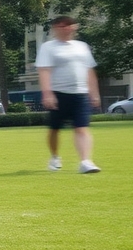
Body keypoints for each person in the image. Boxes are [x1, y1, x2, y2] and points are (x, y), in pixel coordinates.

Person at [36, 15, 100, 173]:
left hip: (80, 93)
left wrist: (94, 92)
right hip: (58, 94)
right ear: (55, 29)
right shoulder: (48, 47)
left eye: (68, 25)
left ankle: (85, 161)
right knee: (54, 129)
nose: (65, 29)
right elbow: (44, 71)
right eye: (61, 26)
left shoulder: (82, 46)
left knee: (82, 128)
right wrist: (47, 93)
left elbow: (89, 70)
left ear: (74, 27)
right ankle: (55, 157)